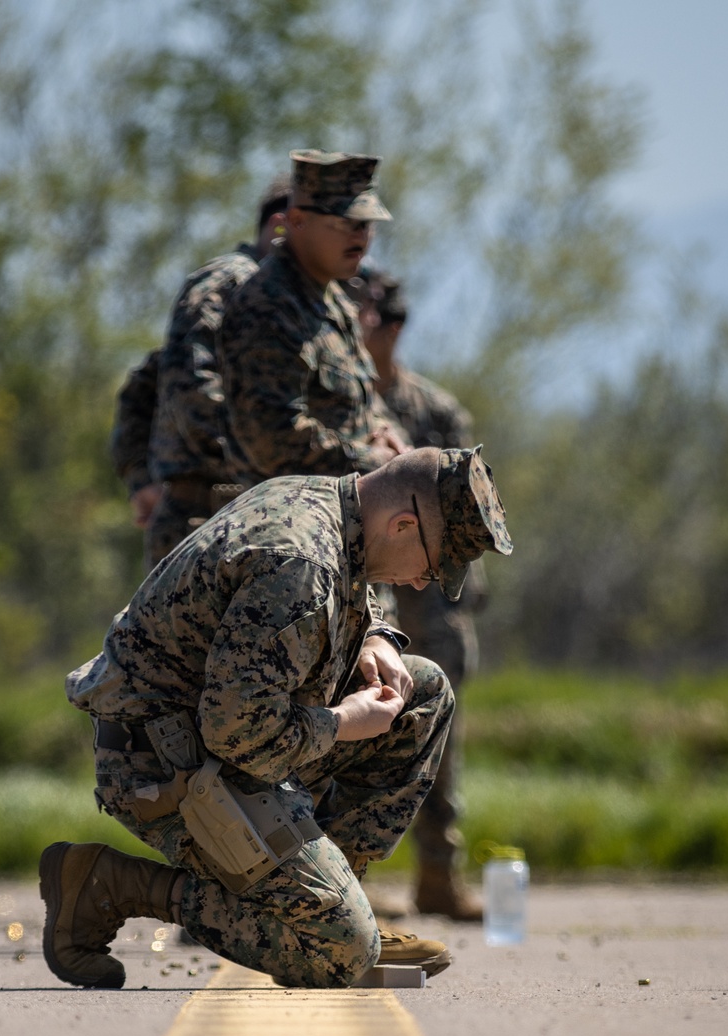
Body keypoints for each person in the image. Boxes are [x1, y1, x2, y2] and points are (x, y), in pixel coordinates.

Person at [38, 446, 513, 992]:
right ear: (404, 524)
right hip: (166, 762)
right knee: (341, 957)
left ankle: (331, 899)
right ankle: (112, 884)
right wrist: (343, 722)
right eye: (431, 567)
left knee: (422, 691)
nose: (423, 584)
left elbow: (347, 586)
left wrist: (373, 633)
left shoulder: (324, 500)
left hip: (220, 737)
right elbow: (238, 731)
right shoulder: (300, 565)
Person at [345, 267, 489, 921]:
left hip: (429, 598)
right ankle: (344, 872)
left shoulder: (433, 409)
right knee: (352, 719)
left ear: (396, 328)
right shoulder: (333, 404)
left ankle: (438, 870)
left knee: (436, 723)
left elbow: (470, 509)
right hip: (359, 586)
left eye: (378, 318)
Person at [110, 177, 290, 568]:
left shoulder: (296, 300)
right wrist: (140, 478)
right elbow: (176, 382)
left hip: (259, 515)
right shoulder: (230, 283)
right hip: (209, 517)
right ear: (281, 225)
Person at [218, 150, 407, 485]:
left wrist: (388, 437)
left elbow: (358, 409)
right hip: (283, 521)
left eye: (367, 224)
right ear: (297, 221)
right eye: (346, 223)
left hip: (337, 513)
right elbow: (273, 440)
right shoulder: (269, 305)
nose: (361, 237)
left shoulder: (333, 299)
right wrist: (374, 461)